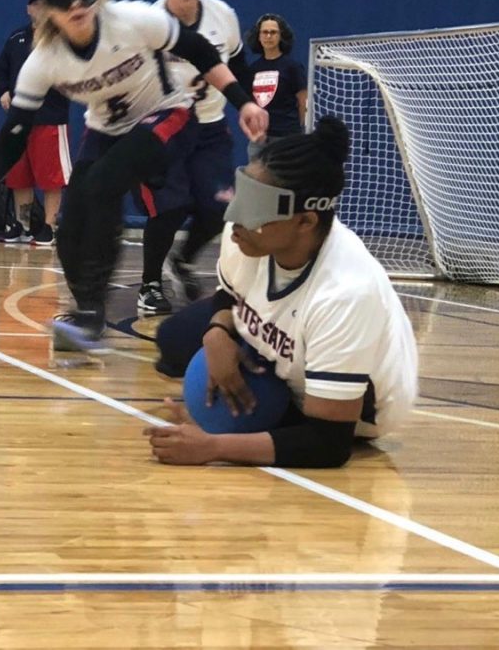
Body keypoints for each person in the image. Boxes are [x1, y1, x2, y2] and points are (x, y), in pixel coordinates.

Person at [0, 0, 268, 354]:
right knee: (70, 225)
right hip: (106, 130)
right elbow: (13, 135)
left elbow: (200, 51)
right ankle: (89, 312)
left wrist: (243, 102)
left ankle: (92, 316)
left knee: (105, 184)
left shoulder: (133, 20)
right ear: (48, 8)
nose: (76, 6)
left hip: (167, 114)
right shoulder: (44, 61)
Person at [145, 116, 418, 468]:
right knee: (176, 338)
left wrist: (214, 446)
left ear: (305, 221)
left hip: (358, 415)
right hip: (286, 348)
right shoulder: (246, 234)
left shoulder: (346, 292)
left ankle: (265, 417)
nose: (235, 217)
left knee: (290, 427)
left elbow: (329, 445)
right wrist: (217, 331)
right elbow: (230, 292)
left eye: (255, 206)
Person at [136, 0, 247, 317]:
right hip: (166, 125)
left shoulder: (222, 15)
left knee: (220, 207)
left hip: (211, 127)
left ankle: (182, 261)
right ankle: (150, 284)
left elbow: (238, 65)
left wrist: (247, 104)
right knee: (169, 207)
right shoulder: (150, 23)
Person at [0, 0, 71, 248]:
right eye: (35, 4)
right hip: (19, 120)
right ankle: (23, 224)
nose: (40, 9)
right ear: (29, 8)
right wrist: (3, 91)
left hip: (50, 117)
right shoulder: (16, 37)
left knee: (51, 178)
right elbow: (1, 69)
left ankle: (50, 225)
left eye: (45, 4)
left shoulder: (63, 39)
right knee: (19, 176)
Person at [243, 13, 308, 161]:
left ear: (281, 36)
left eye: (273, 32)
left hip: (286, 137)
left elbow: (303, 101)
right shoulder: (253, 69)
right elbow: (250, 103)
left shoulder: (293, 67)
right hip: (260, 138)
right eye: (264, 32)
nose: (268, 36)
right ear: (258, 36)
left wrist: (298, 130)